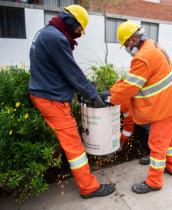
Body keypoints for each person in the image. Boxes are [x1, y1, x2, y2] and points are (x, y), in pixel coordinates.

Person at [28, 5, 115, 199]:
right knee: (74, 146)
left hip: (44, 93)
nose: (79, 35)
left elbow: (59, 69)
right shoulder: (57, 38)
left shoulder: (46, 32)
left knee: (67, 141)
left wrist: (82, 87)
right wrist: (93, 96)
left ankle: (76, 175)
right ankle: (88, 187)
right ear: (71, 22)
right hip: (51, 100)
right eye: (78, 30)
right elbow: (72, 72)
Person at [108, 21, 172, 194]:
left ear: (134, 39)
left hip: (165, 106)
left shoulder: (143, 57)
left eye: (127, 44)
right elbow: (133, 78)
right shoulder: (151, 45)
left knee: (157, 143)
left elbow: (130, 86)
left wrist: (112, 98)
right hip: (170, 102)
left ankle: (154, 181)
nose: (128, 48)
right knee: (168, 140)